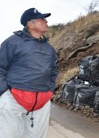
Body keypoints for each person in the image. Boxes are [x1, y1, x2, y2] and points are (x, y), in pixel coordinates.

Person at [0, 8, 57, 138]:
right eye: (42, 19)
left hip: (41, 102)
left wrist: (50, 91)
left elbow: (53, 71)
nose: (46, 21)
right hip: (13, 99)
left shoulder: (49, 49)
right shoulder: (12, 42)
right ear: (30, 24)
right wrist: (4, 92)